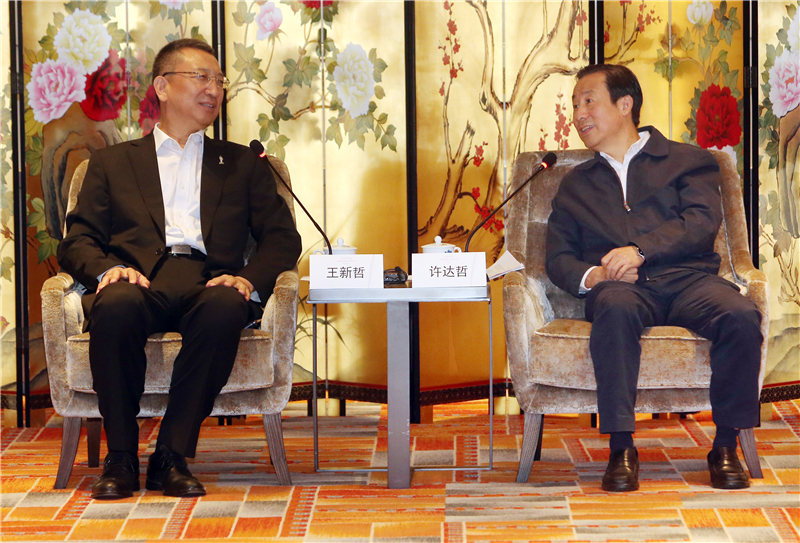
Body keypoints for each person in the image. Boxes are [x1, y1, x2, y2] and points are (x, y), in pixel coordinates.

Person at [58, 38, 302, 500]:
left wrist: (248, 279)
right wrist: (108, 270)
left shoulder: (243, 163)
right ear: (162, 87)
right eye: (201, 77)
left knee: (226, 306)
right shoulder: (112, 163)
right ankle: (121, 457)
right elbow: (78, 240)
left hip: (209, 282)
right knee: (115, 305)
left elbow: (282, 238)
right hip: (137, 280)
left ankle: (170, 455)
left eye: (219, 80)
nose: (214, 89)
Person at [545, 64, 762, 492]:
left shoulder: (688, 160)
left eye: (588, 101)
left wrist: (640, 251)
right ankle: (621, 448)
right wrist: (596, 274)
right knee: (612, 308)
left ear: (625, 104)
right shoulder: (575, 184)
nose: (578, 114)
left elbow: (700, 222)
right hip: (622, 290)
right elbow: (557, 257)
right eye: (574, 104)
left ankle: (725, 445)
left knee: (740, 314)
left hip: (688, 280)